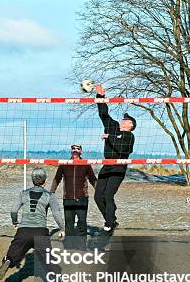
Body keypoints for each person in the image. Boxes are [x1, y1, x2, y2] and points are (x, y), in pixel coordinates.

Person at [0, 168, 65, 282]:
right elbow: (56, 214)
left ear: (32, 180)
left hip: (24, 231)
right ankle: (58, 281)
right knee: (48, 260)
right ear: (45, 181)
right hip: (40, 232)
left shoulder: (23, 193)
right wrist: (62, 228)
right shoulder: (49, 195)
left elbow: (14, 210)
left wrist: (14, 221)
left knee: (14, 253)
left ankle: (8, 260)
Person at [94, 84, 136, 236]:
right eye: (123, 119)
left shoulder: (129, 136)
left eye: (126, 119)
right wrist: (100, 97)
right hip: (107, 166)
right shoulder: (112, 127)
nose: (123, 120)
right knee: (98, 197)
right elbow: (103, 113)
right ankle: (111, 220)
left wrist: (109, 137)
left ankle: (109, 224)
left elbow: (124, 149)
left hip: (119, 166)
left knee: (108, 195)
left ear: (130, 125)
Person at [50, 144, 97, 248]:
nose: (75, 150)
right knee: (69, 223)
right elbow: (57, 178)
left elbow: (92, 179)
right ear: (71, 151)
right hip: (68, 199)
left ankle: (81, 245)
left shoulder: (86, 164)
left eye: (78, 149)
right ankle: (69, 246)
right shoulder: (64, 164)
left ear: (81, 151)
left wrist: (99, 191)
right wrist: (51, 192)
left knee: (82, 222)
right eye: (73, 149)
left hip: (82, 199)